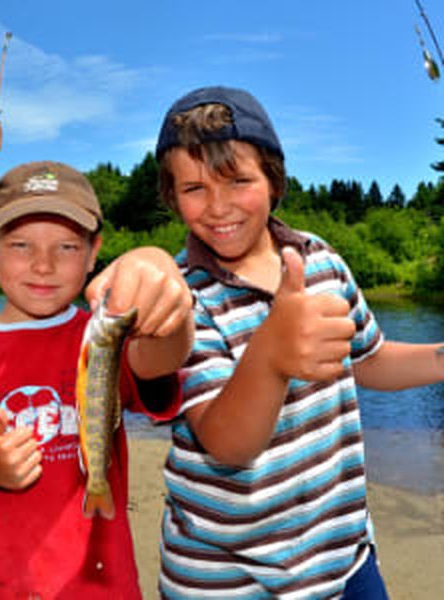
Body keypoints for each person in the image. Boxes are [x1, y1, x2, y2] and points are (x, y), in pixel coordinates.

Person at [153, 85, 444, 598]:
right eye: (193, 188)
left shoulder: (321, 259)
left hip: (345, 557)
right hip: (229, 581)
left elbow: (370, 359)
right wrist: (271, 355)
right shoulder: (176, 299)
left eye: (239, 180)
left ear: (273, 181)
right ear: (171, 196)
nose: (218, 206)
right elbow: (227, 444)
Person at [0, 160, 195, 599]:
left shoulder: (103, 337)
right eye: (20, 245)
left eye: (67, 248)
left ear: (95, 252)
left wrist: (164, 282)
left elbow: (164, 354)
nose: (43, 265)